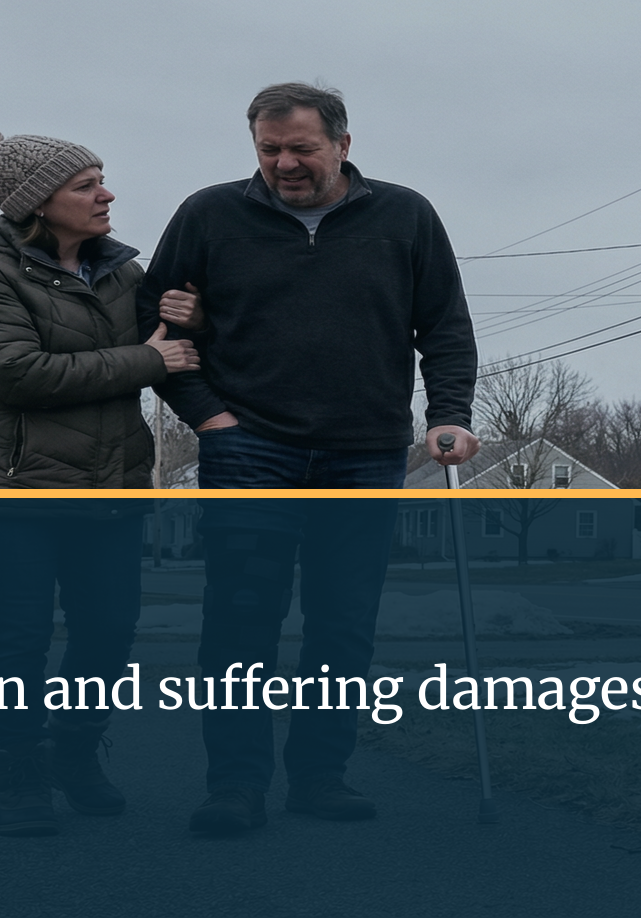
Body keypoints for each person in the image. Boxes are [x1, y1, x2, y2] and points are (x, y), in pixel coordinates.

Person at [146, 82, 478, 835]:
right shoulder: (209, 213)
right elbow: (156, 326)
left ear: (343, 146)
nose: (284, 164)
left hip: (361, 450)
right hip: (249, 447)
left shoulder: (405, 215)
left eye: (302, 148)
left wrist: (448, 414)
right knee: (239, 622)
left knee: (341, 623)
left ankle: (320, 777)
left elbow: (446, 327)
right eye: (269, 150)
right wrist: (212, 418)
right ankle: (233, 786)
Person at [0, 127, 199, 836]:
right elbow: (15, 373)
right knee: (18, 636)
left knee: (108, 631)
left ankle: (75, 751)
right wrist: (149, 358)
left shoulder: (121, 273)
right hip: (4, 485)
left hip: (106, 484)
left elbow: (175, 346)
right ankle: (19, 772)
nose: (106, 194)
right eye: (85, 185)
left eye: (101, 179)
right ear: (37, 204)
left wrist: (186, 324)